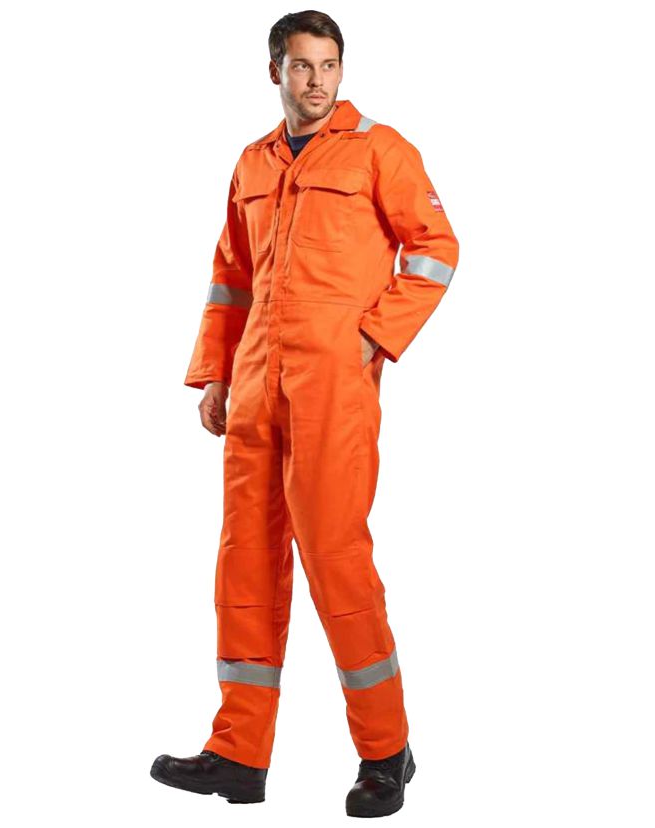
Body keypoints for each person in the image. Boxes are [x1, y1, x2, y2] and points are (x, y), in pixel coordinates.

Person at [150, 9, 459, 819]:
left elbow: (436, 248)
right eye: (300, 66)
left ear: (341, 70)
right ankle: (238, 752)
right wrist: (215, 375)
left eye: (327, 65)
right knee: (244, 564)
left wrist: (374, 337)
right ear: (275, 72)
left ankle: (386, 751)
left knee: (336, 561)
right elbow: (231, 276)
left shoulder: (380, 151)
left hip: (333, 392)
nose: (315, 80)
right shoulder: (252, 162)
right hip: (255, 389)